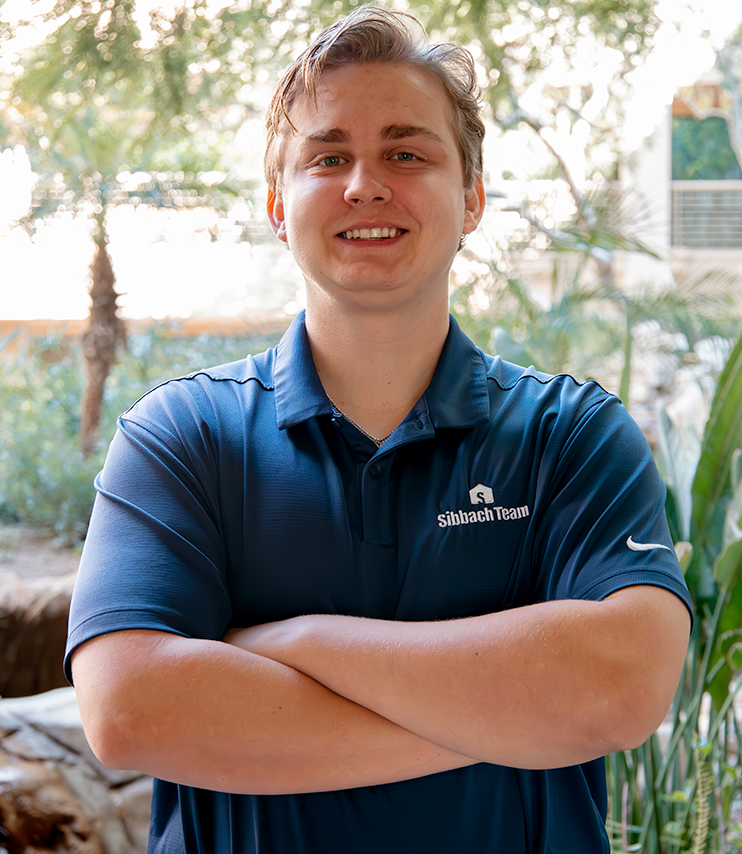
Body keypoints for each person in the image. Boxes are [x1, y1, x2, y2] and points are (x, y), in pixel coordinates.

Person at [66, 7, 692, 853]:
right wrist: (515, 716)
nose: (365, 184)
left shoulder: (570, 437)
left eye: (406, 153)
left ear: (471, 199)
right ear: (278, 206)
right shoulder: (182, 438)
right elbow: (130, 710)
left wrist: (298, 643)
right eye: (328, 157)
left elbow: (619, 687)